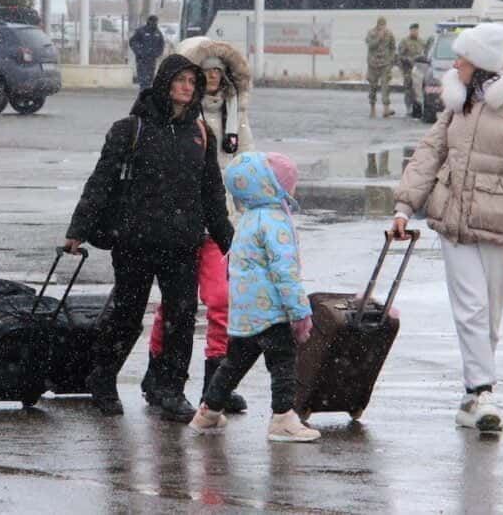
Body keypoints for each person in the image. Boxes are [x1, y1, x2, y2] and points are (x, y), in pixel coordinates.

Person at [391, 22, 503, 435]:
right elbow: (429, 154)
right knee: (470, 309)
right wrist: (403, 207)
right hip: (453, 223)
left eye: (463, 58)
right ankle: (482, 390)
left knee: (489, 315)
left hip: (501, 226)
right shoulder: (459, 104)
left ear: (483, 65)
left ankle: (473, 396)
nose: (455, 64)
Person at [64, 53, 234, 422]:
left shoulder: (200, 133)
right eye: (182, 80)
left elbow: (212, 193)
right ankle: (103, 378)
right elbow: (101, 181)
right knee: (126, 314)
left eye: (193, 82)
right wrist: (78, 231)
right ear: (165, 82)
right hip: (135, 241)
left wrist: (228, 242)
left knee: (182, 315)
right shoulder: (131, 128)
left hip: (182, 242)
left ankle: (169, 387)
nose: (188, 88)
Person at [142, 37, 253, 413]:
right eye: (200, 74)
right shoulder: (171, 122)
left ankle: (215, 382)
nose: (207, 81)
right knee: (175, 308)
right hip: (180, 225)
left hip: (218, 220)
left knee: (221, 300)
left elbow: (243, 168)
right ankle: (158, 376)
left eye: (215, 74)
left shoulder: (234, 117)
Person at [188, 151, 320, 443]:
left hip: (246, 310)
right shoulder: (275, 221)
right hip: (272, 309)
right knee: (283, 362)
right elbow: (284, 272)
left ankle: (208, 412)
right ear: (273, 187)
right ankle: (283, 417)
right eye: (289, 185)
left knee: (235, 362)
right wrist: (299, 310)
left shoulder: (247, 218)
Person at [365, 16, 396, 118]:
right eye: (381, 25)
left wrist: (391, 59)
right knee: (373, 86)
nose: (382, 27)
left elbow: (392, 47)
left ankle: (386, 109)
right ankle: (372, 109)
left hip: (385, 64)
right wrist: (379, 38)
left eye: (384, 25)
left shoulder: (389, 33)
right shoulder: (371, 33)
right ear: (377, 25)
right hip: (373, 64)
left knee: (385, 86)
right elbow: (370, 45)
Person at [129, 15, 166, 90]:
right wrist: (139, 51)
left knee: (150, 79)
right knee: (143, 79)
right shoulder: (141, 31)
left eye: (156, 21)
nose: (154, 23)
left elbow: (161, 44)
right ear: (148, 21)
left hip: (152, 59)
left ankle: (147, 93)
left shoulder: (158, 32)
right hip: (142, 59)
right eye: (153, 21)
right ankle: (144, 94)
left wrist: (157, 53)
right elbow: (133, 42)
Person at [398, 23, 427, 116]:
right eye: (413, 30)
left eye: (416, 30)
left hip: (419, 69)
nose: (415, 32)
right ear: (410, 30)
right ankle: (408, 107)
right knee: (408, 89)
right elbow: (400, 55)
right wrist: (407, 60)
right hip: (408, 69)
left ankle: (417, 107)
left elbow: (426, 54)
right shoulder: (404, 41)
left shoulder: (421, 42)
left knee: (418, 89)